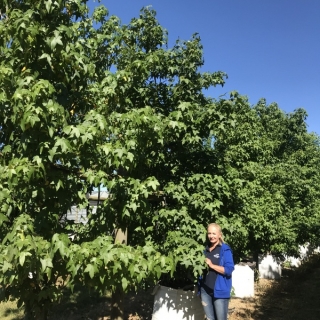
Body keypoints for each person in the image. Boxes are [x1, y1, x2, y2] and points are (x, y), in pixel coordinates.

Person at [199, 223, 234, 320]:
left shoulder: (224, 249)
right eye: (209, 233)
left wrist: (212, 265)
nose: (211, 236)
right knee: (210, 318)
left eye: (214, 233)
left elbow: (229, 270)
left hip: (220, 291)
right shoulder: (204, 250)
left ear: (220, 235)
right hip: (205, 290)